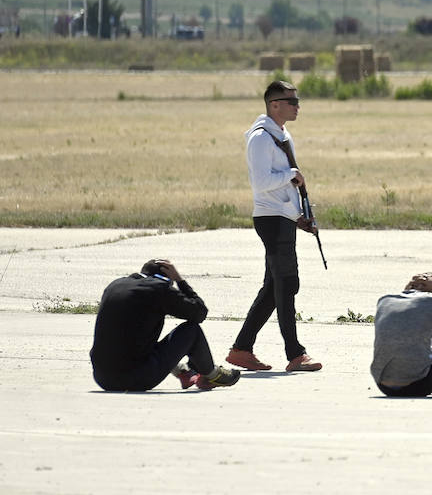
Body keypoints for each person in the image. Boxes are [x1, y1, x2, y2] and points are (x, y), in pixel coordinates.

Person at [226, 80, 322, 373]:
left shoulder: (281, 135)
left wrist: (298, 217)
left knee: (273, 288)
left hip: (282, 218)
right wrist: (292, 174)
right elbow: (262, 184)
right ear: (274, 104)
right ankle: (295, 354)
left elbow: (282, 187)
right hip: (269, 220)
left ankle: (241, 349)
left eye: (298, 101)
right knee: (287, 284)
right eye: (291, 102)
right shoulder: (260, 139)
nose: (297, 106)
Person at [90, 258, 240, 391]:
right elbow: (199, 312)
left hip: (102, 378)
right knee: (191, 330)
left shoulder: (115, 286)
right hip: (136, 378)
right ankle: (211, 375)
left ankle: (184, 372)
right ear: (166, 279)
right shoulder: (158, 288)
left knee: (135, 336)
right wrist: (180, 281)